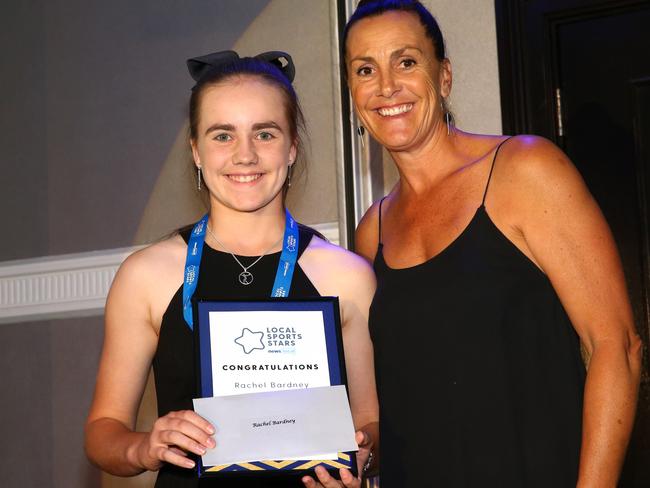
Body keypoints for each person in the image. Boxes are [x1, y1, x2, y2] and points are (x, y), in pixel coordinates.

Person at [343, 1, 642, 486]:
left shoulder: (523, 171)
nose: (386, 86)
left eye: (406, 61)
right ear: (353, 94)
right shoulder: (370, 231)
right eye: (364, 69)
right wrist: (361, 453)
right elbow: (402, 399)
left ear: (443, 77)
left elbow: (617, 347)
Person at [85, 50, 378, 488]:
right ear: (196, 151)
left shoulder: (347, 276)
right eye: (223, 135)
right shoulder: (147, 275)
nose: (245, 155)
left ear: (292, 145)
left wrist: (363, 456)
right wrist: (143, 447)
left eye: (264, 133)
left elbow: (371, 423)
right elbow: (102, 431)